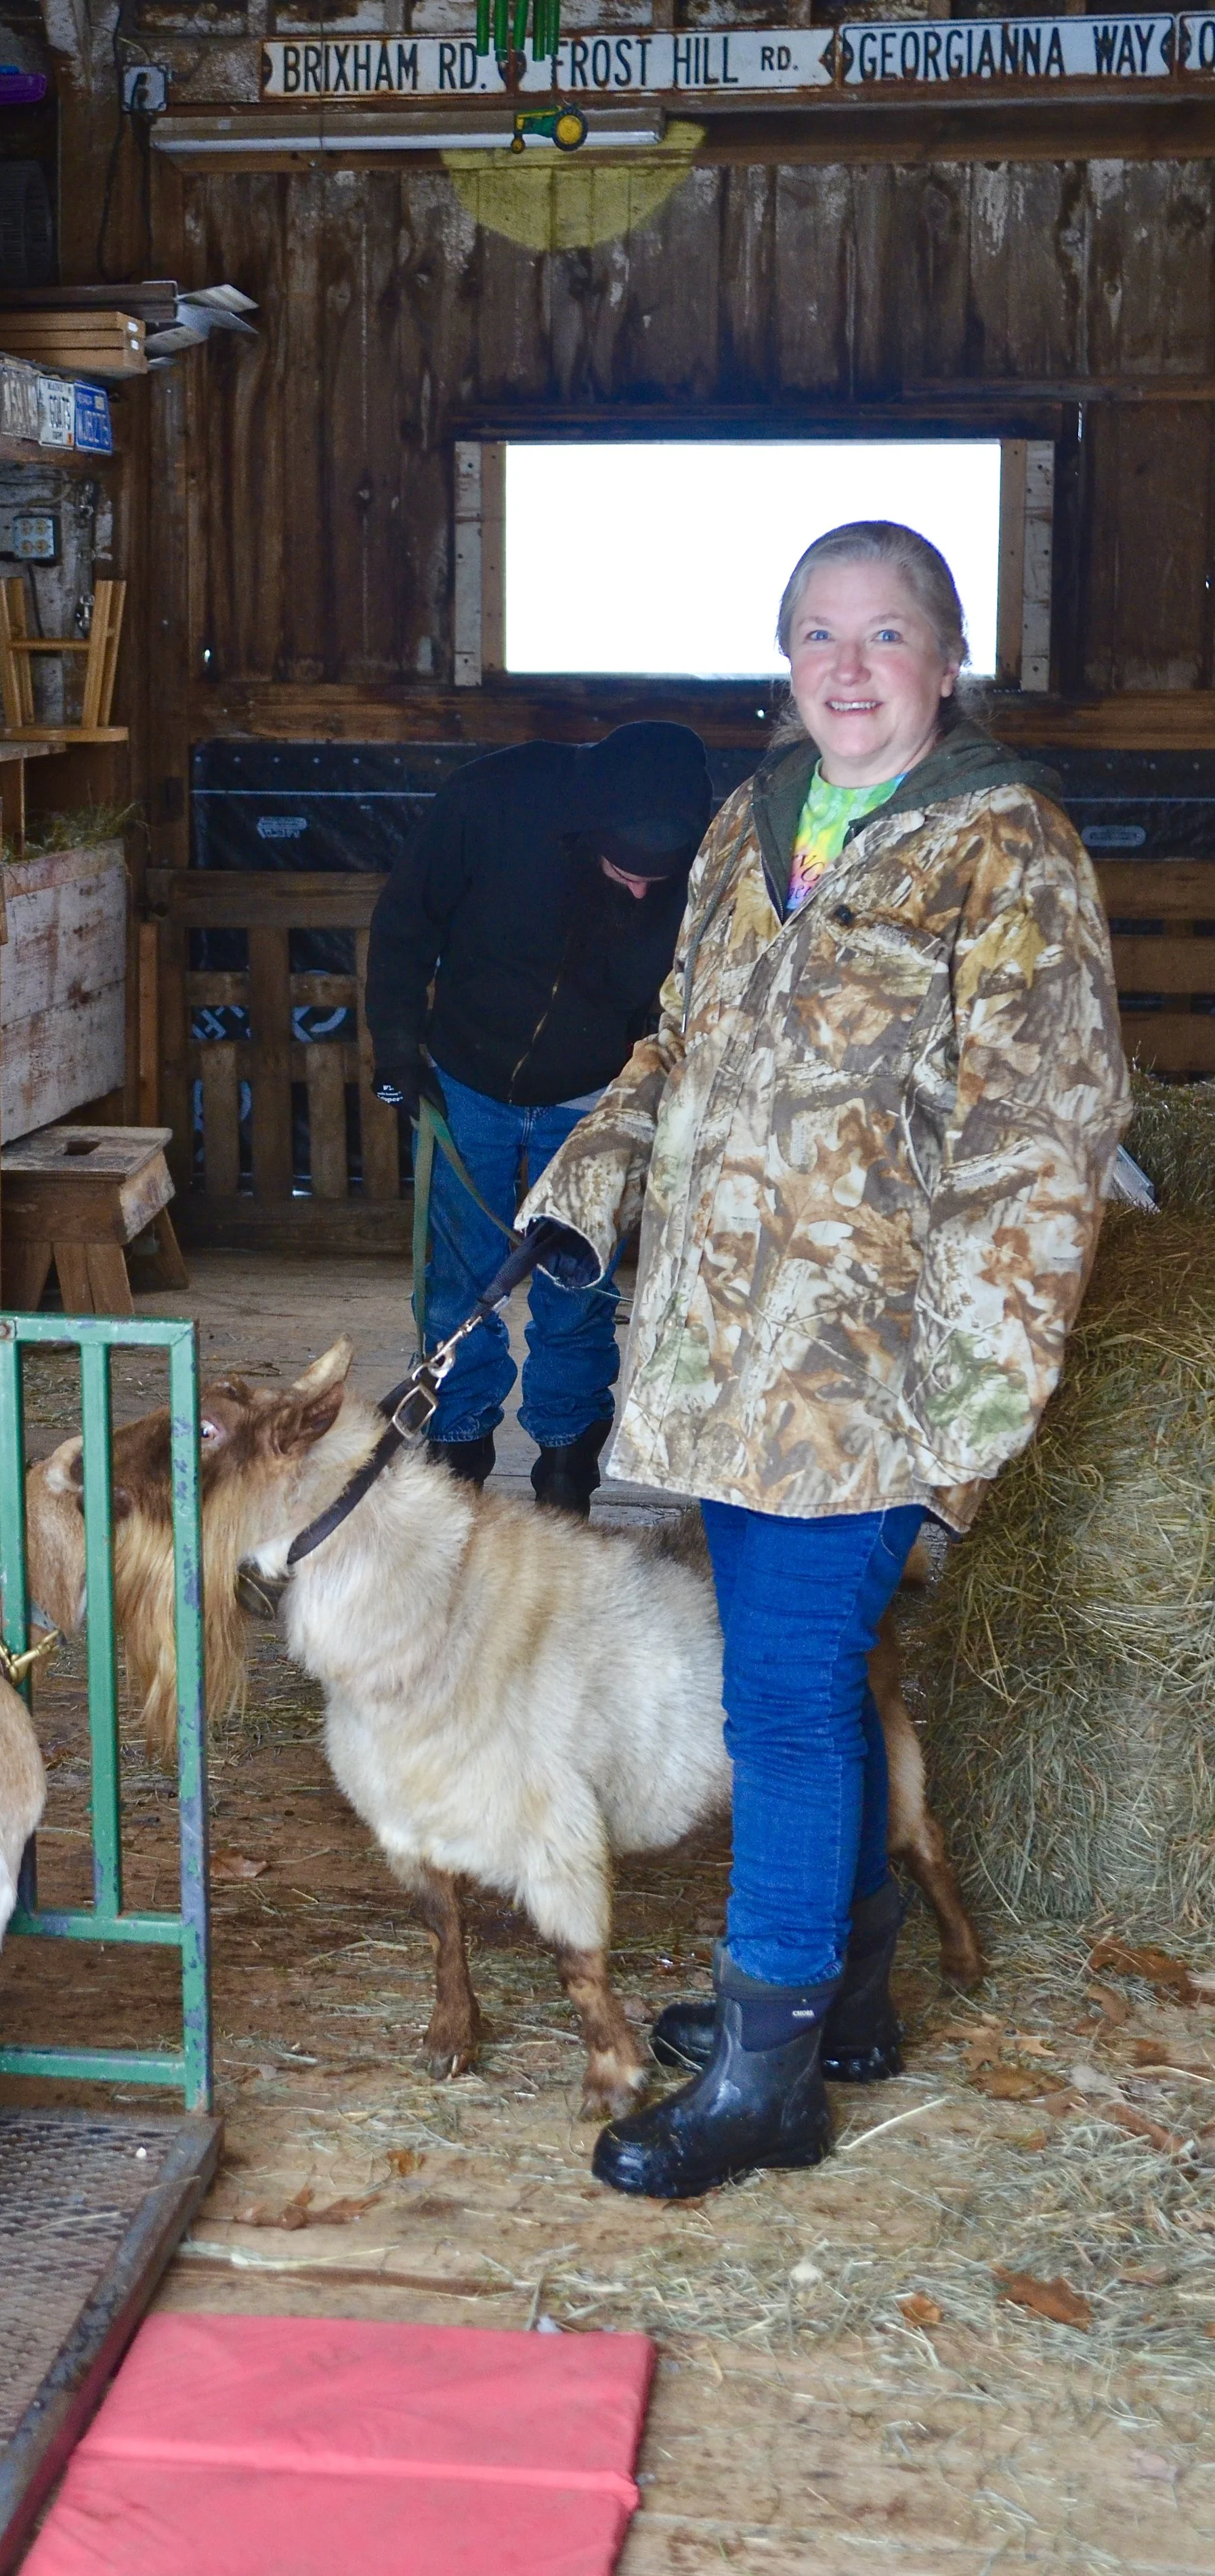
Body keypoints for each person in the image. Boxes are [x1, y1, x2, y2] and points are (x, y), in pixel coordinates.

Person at [517, 522, 1129, 2196]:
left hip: (869, 1370)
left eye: (884, 635)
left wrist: (971, 1411)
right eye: (816, 636)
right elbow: (681, 1040)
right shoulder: (751, 822)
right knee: (813, 1686)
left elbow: (1043, 1137)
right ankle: (843, 1990)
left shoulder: (1008, 851)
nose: (846, 667)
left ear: (947, 661)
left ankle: (766, 2069)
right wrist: (589, 1176)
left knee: (780, 1698)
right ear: (786, 663)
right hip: (729, 1355)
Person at [365, 722, 712, 1515]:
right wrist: (395, 1046)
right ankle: (457, 1465)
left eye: (653, 882)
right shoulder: (489, 800)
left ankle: (565, 1474)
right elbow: (406, 922)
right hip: (467, 1080)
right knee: (459, 1284)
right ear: (588, 831)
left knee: (577, 1287)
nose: (637, 893)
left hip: (594, 1094)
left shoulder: (704, 863)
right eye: (623, 871)